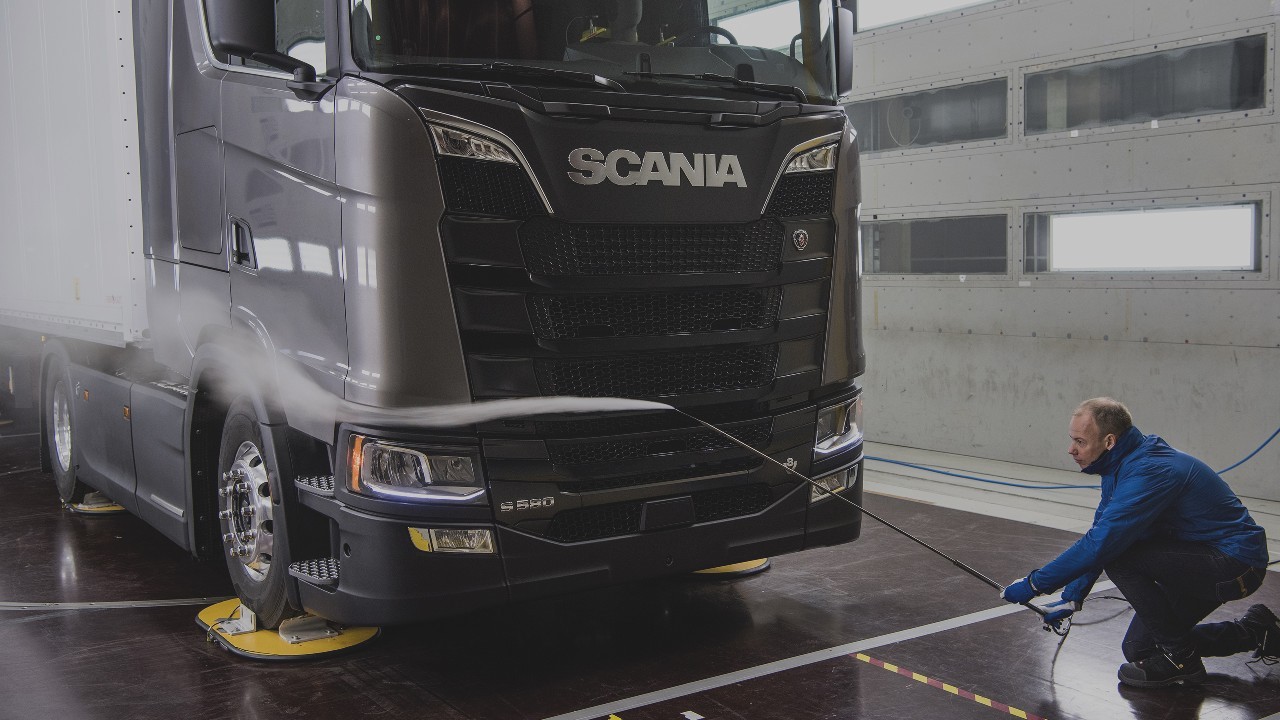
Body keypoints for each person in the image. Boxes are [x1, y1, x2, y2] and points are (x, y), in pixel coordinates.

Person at [1001, 397, 1275, 688]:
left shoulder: (1149, 471)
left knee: (1120, 558)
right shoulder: (1120, 465)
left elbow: (1103, 545)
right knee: (1140, 649)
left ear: (1109, 441)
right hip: (1198, 559)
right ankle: (1256, 632)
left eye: (1080, 441)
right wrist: (1072, 596)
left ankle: (1181, 657)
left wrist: (1035, 584)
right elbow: (1100, 532)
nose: (1071, 449)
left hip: (1234, 564)